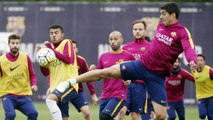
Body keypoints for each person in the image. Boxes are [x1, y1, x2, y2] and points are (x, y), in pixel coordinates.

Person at [54, 3, 198, 120]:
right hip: (142, 65)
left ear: (173, 15)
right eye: (160, 14)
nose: (161, 17)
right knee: (107, 72)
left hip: (157, 76)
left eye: (164, 14)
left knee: (161, 115)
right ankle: (70, 82)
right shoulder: (161, 26)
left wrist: (192, 61)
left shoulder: (182, 32)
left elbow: (189, 48)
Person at [39, 25, 79, 120]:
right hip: (55, 88)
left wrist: (51, 50)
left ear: (62, 35)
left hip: (68, 85)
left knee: (49, 100)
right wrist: (42, 60)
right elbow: (45, 73)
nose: (53, 35)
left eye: (56, 33)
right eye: (51, 33)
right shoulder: (50, 52)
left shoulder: (67, 42)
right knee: (63, 118)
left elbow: (68, 59)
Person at [117, 19, 151, 120]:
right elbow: (121, 66)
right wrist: (124, 78)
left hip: (140, 86)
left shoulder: (150, 47)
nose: (137, 31)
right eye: (135, 29)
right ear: (132, 31)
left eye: (140, 29)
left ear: (145, 31)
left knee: (135, 116)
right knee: (121, 111)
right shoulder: (126, 47)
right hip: (125, 86)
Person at [0, 34, 38, 120]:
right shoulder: (1, 60)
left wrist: (34, 84)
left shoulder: (25, 57)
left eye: (17, 43)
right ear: (9, 44)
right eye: (13, 43)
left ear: (19, 44)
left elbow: (32, 74)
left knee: (33, 113)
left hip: (22, 96)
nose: (15, 45)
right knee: (10, 115)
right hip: (8, 95)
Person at [72, 40, 99, 119]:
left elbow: (88, 77)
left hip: (77, 91)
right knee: (63, 117)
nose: (72, 50)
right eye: (70, 48)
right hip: (63, 91)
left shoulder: (81, 60)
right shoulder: (62, 61)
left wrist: (93, 94)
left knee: (87, 113)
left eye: (74, 48)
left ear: (77, 49)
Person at [191, 54, 213, 120]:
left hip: (211, 96)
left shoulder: (210, 71)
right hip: (201, 97)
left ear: (204, 62)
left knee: (211, 116)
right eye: (198, 60)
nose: (199, 62)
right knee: (202, 115)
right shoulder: (193, 70)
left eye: (201, 60)